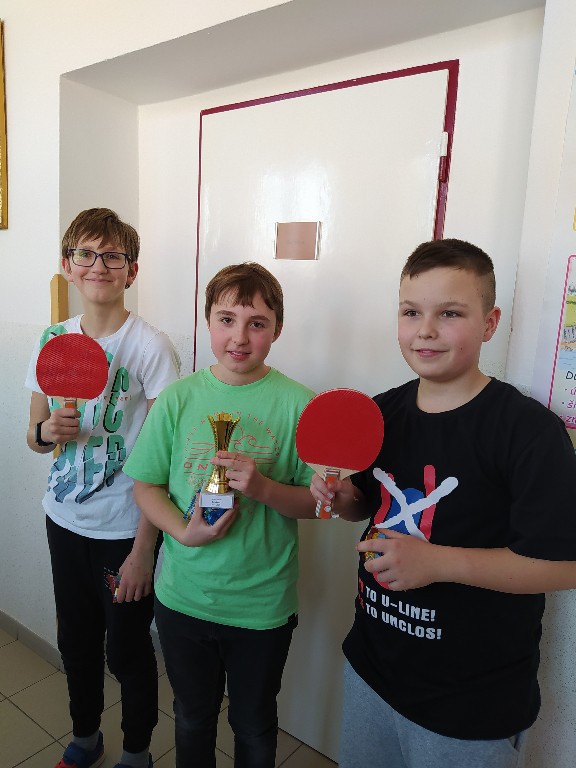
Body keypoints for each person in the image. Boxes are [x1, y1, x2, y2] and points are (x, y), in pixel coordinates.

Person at [311, 239, 576, 768]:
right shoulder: (382, 412)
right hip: (371, 668)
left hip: (470, 703)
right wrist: (343, 498)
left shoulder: (529, 432)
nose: (425, 330)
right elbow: (365, 505)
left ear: (490, 323)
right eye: (411, 312)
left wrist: (437, 563)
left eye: (450, 313)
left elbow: (563, 565)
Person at [123, 262, 316, 768]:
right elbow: (146, 486)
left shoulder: (300, 405)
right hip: (183, 598)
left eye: (257, 323)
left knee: (254, 725)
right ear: (207, 322)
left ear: (277, 329)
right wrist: (182, 533)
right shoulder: (178, 398)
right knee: (191, 718)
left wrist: (265, 487)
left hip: (262, 605)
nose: (240, 337)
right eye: (226, 319)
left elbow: (317, 504)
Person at [25, 208, 180, 768]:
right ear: (68, 266)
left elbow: (165, 463)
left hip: (125, 531)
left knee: (129, 650)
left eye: (112, 256)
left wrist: (144, 549)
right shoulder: (53, 340)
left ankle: (136, 753)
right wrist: (47, 432)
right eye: (86, 254)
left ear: (131, 271)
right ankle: (86, 738)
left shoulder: (151, 347)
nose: (98, 265)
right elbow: (33, 435)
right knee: (76, 641)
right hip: (64, 520)